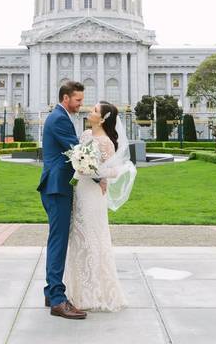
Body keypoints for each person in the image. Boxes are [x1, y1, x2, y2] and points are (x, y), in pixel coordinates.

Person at [64, 101, 136, 312]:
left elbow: (113, 171)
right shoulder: (85, 135)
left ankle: (97, 293)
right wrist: (80, 164)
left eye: (95, 110)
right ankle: (78, 292)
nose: (90, 111)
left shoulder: (107, 143)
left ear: (103, 118)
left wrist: (94, 172)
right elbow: (79, 159)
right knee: (78, 239)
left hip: (94, 196)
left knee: (94, 238)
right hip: (80, 192)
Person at [38, 81, 88, 320]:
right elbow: (77, 151)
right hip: (57, 187)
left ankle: (51, 291)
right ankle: (58, 299)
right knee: (58, 241)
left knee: (58, 239)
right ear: (66, 98)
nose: (81, 104)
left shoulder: (61, 116)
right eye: (78, 100)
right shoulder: (59, 118)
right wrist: (99, 175)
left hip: (57, 186)